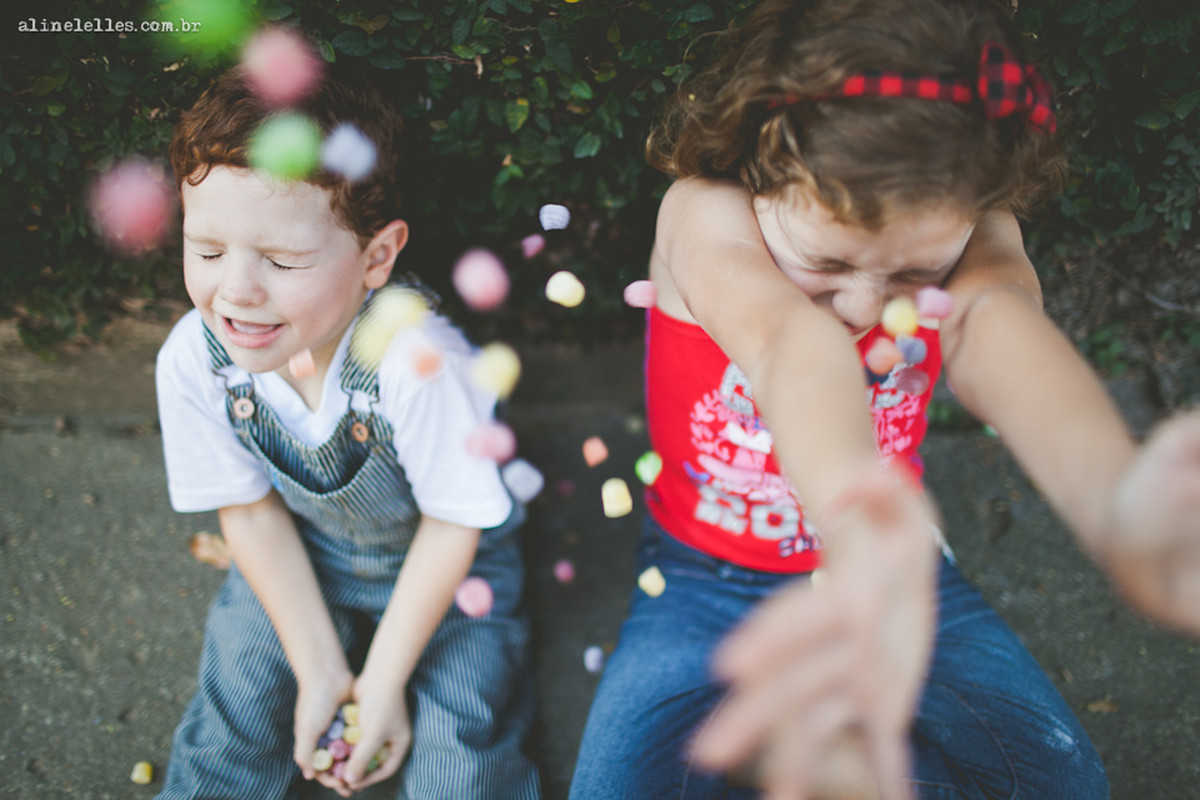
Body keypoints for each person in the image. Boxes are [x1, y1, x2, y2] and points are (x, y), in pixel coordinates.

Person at [569, 1, 1200, 798]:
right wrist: (857, 520)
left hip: (905, 571)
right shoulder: (704, 214)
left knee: (1061, 785)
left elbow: (999, 331)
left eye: (912, 276)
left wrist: (1114, 497)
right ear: (763, 159)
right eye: (825, 264)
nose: (866, 309)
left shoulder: (979, 228)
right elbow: (788, 347)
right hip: (704, 581)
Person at [153, 66, 540, 799]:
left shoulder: (417, 360)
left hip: (453, 571)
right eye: (206, 251)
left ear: (376, 257)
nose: (236, 289)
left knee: (463, 753)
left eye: (281, 260)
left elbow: (456, 523)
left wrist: (382, 685)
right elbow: (251, 511)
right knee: (234, 713)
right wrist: (321, 672)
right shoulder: (194, 358)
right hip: (305, 556)